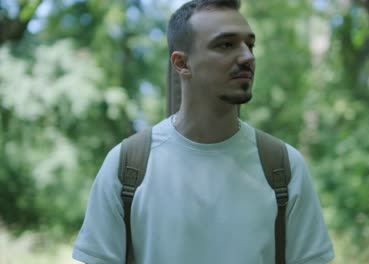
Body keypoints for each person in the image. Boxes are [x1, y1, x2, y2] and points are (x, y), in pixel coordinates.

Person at [72, 0, 334, 263]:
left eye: (249, 45)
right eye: (225, 45)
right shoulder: (127, 166)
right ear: (181, 63)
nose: (247, 57)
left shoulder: (283, 167)